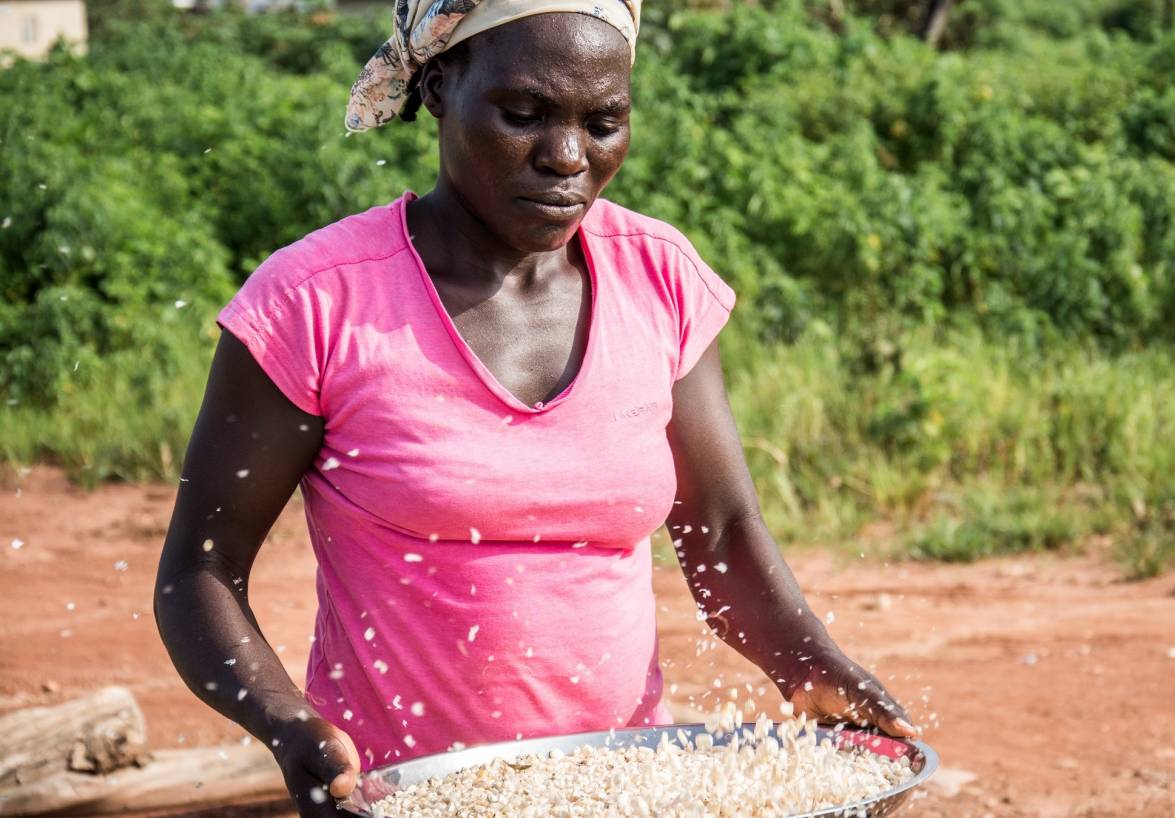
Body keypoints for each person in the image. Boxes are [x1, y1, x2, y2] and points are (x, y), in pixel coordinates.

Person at [152, 2, 918, 815]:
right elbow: (201, 568)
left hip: (621, 788)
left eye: (604, 122)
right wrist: (288, 725)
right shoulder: (319, 303)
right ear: (440, 87)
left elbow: (722, 534)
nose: (566, 157)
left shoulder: (657, 279)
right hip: (401, 793)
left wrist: (815, 669)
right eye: (524, 115)